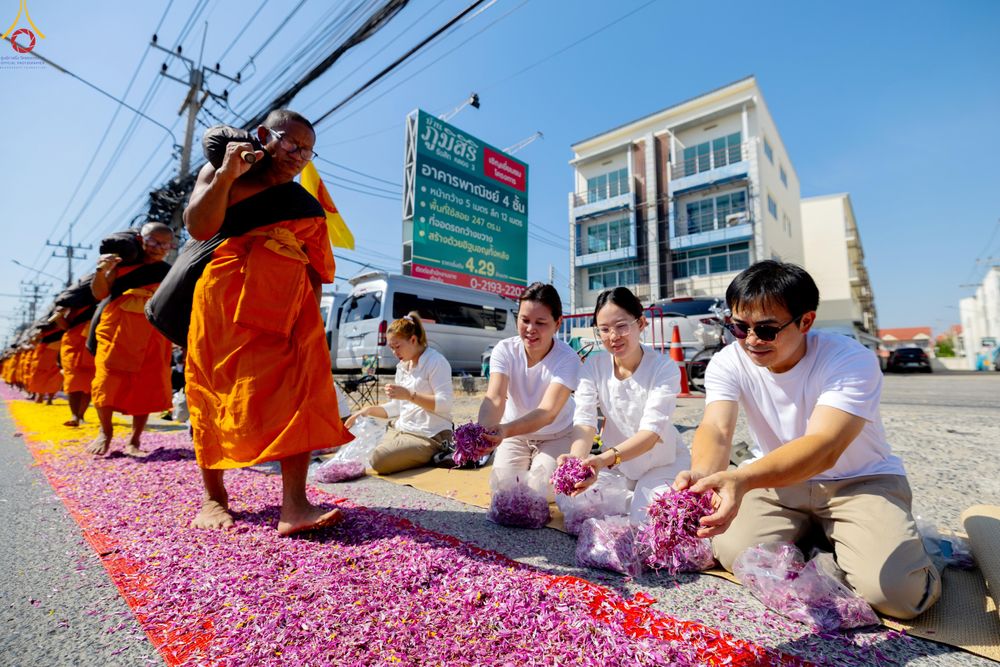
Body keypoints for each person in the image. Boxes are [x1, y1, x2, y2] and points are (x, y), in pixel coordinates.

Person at [674, 260, 940, 619]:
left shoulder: (849, 360)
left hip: (858, 482)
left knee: (898, 595)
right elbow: (717, 429)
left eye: (766, 330)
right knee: (734, 550)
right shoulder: (728, 361)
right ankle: (830, 542)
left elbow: (825, 447)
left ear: (806, 321)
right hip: (776, 480)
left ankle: (917, 554)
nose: (751, 341)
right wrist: (702, 478)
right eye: (739, 327)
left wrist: (741, 479)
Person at [183, 109, 352, 536]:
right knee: (215, 390)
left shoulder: (302, 204)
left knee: (301, 394)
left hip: (290, 306)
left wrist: (311, 327)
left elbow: (316, 269)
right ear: (263, 136)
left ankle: (294, 506)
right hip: (225, 304)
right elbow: (199, 226)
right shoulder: (226, 175)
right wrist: (225, 175)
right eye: (292, 143)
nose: (300, 155)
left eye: (309, 150)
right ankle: (214, 498)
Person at [558, 287, 689, 525]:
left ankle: (642, 499)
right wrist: (578, 461)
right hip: (617, 466)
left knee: (647, 520)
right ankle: (632, 499)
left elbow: (650, 435)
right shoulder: (594, 366)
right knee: (570, 502)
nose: (613, 337)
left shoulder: (663, 368)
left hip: (661, 463)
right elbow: (585, 421)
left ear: (641, 323)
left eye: (621, 326)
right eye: (604, 330)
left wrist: (601, 461)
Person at [86, 223, 175, 457]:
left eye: (164, 244)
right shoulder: (120, 264)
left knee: (145, 385)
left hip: (151, 334)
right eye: (153, 241)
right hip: (116, 330)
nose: (158, 248)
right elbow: (99, 294)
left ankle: (134, 440)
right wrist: (101, 270)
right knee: (106, 381)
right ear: (140, 238)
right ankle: (105, 432)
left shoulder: (168, 272)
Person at [477, 282, 580, 485]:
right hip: (516, 436)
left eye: (540, 323)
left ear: (558, 323)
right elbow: (495, 398)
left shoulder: (568, 358)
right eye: (524, 320)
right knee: (503, 488)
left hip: (556, 435)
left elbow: (547, 412)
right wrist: (483, 434)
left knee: (540, 489)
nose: (530, 329)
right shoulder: (504, 350)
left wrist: (504, 430)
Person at [345, 313, 453, 474]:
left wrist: (410, 395)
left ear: (414, 340)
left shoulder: (436, 361)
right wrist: (366, 411)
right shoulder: (402, 366)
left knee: (378, 459)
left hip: (429, 435)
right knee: (359, 447)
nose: (395, 352)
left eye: (397, 346)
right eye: (391, 348)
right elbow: (397, 408)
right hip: (402, 429)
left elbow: (445, 404)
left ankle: (438, 452)